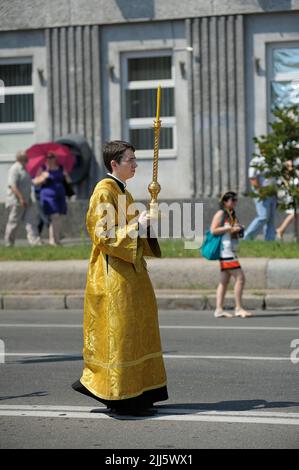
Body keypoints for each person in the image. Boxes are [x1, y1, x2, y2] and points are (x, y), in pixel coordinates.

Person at [72, 140, 168, 416]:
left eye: (135, 159)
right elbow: (104, 235)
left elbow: (129, 229)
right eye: (131, 160)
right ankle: (121, 396)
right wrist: (141, 223)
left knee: (137, 328)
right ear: (114, 163)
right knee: (122, 332)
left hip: (130, 271)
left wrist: (144, 223)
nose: (136, 164)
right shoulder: (104, 191)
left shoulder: (121, 190)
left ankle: (141, 392)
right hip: (112, 272)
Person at [210, 191, 252, 319]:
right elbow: (213, 230)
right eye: (232, 200)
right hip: (226, 251)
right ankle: (238, 308)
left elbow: (230, 231)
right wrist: (229, 229)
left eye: (235, 200)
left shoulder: (231, 214)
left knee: (224, 281)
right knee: (240, 278)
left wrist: (237, 229)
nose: (234, 202)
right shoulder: (221, 213)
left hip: (230, 250)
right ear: (224, 201)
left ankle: (219, 309)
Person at [4, 151, 42, 247]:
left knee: (31, 221)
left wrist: (37, 180)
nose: (28, 160)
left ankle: (35, 242)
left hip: (27, 200)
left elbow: (28, 183)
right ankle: (9, 243)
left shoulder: (24, 169)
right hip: (17, 201)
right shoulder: (15, 169)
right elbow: (13, 186)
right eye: (26, 158)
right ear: (21, 159)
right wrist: (21, 198)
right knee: (13, 222)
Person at [32, 151, 69, 246]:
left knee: (59, 217)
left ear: (55, 158)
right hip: (48, 196)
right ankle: (52, 240)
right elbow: (35, 181)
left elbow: (68, 180)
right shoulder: (43, 168)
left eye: (52, 157)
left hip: (60, 195)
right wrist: (42, 177)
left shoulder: (60, 168)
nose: (50, 159)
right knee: (54, 216)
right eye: (48, 157)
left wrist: (66, 176)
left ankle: (57, 240)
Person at [244, 154, 277, 241]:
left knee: (271, 218)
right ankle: (247, 238)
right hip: (262, 193)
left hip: (272, 192)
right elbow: (252, 178)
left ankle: (270, 240)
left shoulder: (274, 160)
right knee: (263, 216)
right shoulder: (257, 161)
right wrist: (260, 192)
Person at [276, 159, 299, 240]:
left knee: (296, 214)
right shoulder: (287, 172)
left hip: (295, 192)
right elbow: (287, 182)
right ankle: (280, 230)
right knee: (294, 213)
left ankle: (283, 231)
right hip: (292, 193)